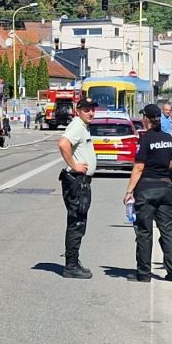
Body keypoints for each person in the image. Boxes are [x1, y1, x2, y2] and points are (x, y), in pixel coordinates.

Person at [123, 104, 172, 283]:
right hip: (165, 188)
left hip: (146, 190)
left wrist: (129, 190)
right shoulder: (168, 138)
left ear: (146, 118)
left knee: (144, 232)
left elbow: (139, 167)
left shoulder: (145, 139)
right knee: (168, 231)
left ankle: (144, 273)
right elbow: (171, 163)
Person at [58, 97, 98, 279]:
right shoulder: (76, 126)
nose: (90, 112)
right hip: (77, 181)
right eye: (86, 109)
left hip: (80, 181)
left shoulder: (83, 127)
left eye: (92, 109)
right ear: (78, 110)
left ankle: (73, 260)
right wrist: (74, 165)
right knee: (77, 222)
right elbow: (63, 143)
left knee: (78, 222)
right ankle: (71, 265)